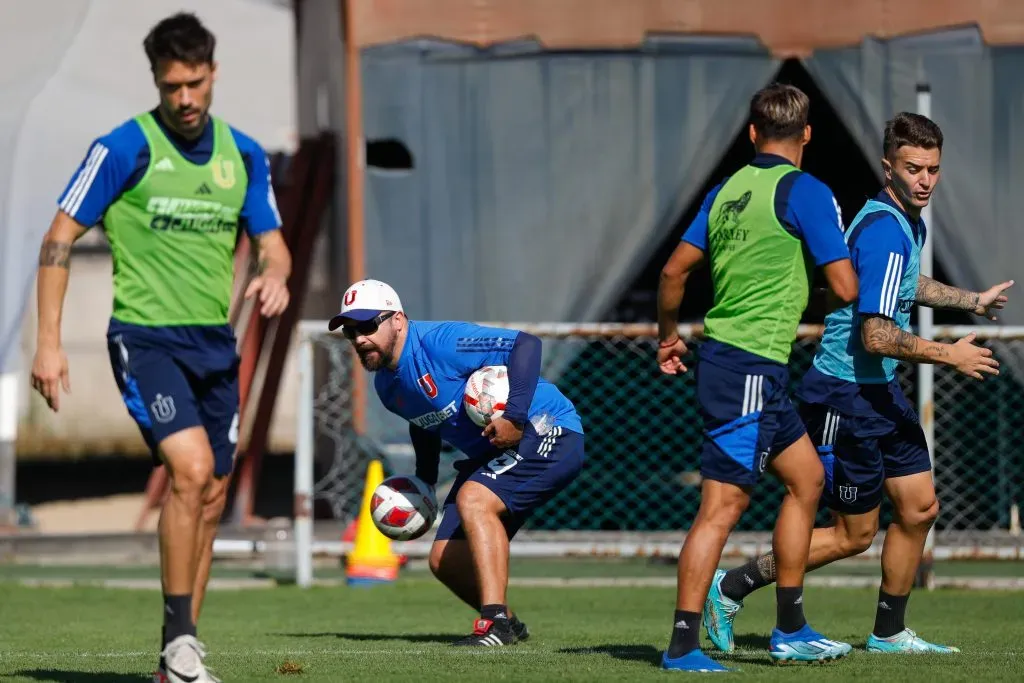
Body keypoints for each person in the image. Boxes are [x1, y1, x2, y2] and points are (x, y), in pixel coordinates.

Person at [30, 13, 291, 683]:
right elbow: (58, 238)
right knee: (190, 465)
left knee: (209, 492)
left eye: (195, 84)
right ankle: (179, 641)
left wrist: (276, 274)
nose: (185, 99)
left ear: (213, 74)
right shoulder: (124, 148)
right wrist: (50, 345)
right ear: (155, 80)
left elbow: (273, 241)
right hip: (145, 340)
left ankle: (181, 655)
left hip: (215, 348)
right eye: (172, 86)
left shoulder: (245, 155)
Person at [705, 112, 1013, 655]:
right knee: (854, 534)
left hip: (879, 390)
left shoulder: (904, 221)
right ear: (887, 166)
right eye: (913, 168)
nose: (925, 180)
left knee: (920, 508)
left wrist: (970, 301)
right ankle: (731, 587)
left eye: (933, 169)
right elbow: (875, 334)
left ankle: (889, 633)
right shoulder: (882, 229)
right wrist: (951, 355)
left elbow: (903, 281)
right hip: (843, 394)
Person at [656, 83, 860, 671]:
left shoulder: (726, 191)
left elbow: (674, 273)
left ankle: (790, 628)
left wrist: (668, 333)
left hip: (747, 366)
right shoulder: (807, 191)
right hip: (747, 365)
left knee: (806, 481)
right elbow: (844, 289)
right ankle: (682, 644)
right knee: (721, 508)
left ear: (751, 134)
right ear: (808, 134)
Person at [330, 279, 585, 647]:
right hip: (497, 453)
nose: (359, 338)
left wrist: (514, 417)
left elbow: (525, 344)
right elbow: (425, 422)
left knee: (474, 500)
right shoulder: (388, 387)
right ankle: (509, 626)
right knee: (444, 561)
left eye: (368, 325)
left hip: (548, 428)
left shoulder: (441, 342)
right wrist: (424, 483)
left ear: (398, 320)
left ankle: (492, 623)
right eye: (350, 331)